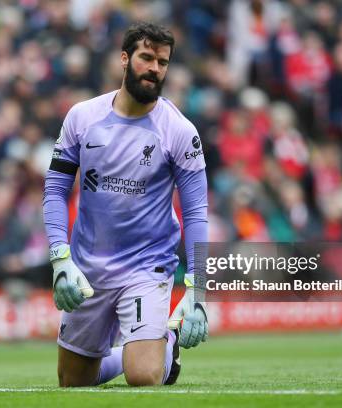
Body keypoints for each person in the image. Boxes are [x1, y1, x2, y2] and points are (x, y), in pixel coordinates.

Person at [43, 22, 209, 387]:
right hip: (88, 266)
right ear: (124, 59)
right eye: (146, 57)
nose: (154, 68)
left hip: (146, 267)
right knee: (73, 383)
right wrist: (60, 258)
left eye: (162, 62)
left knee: (143, 376)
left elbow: (196, 212)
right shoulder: (82, 118)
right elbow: (55, 189)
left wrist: (197, 290)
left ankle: (163, 348)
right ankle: (144, 346)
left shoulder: (180, 131)